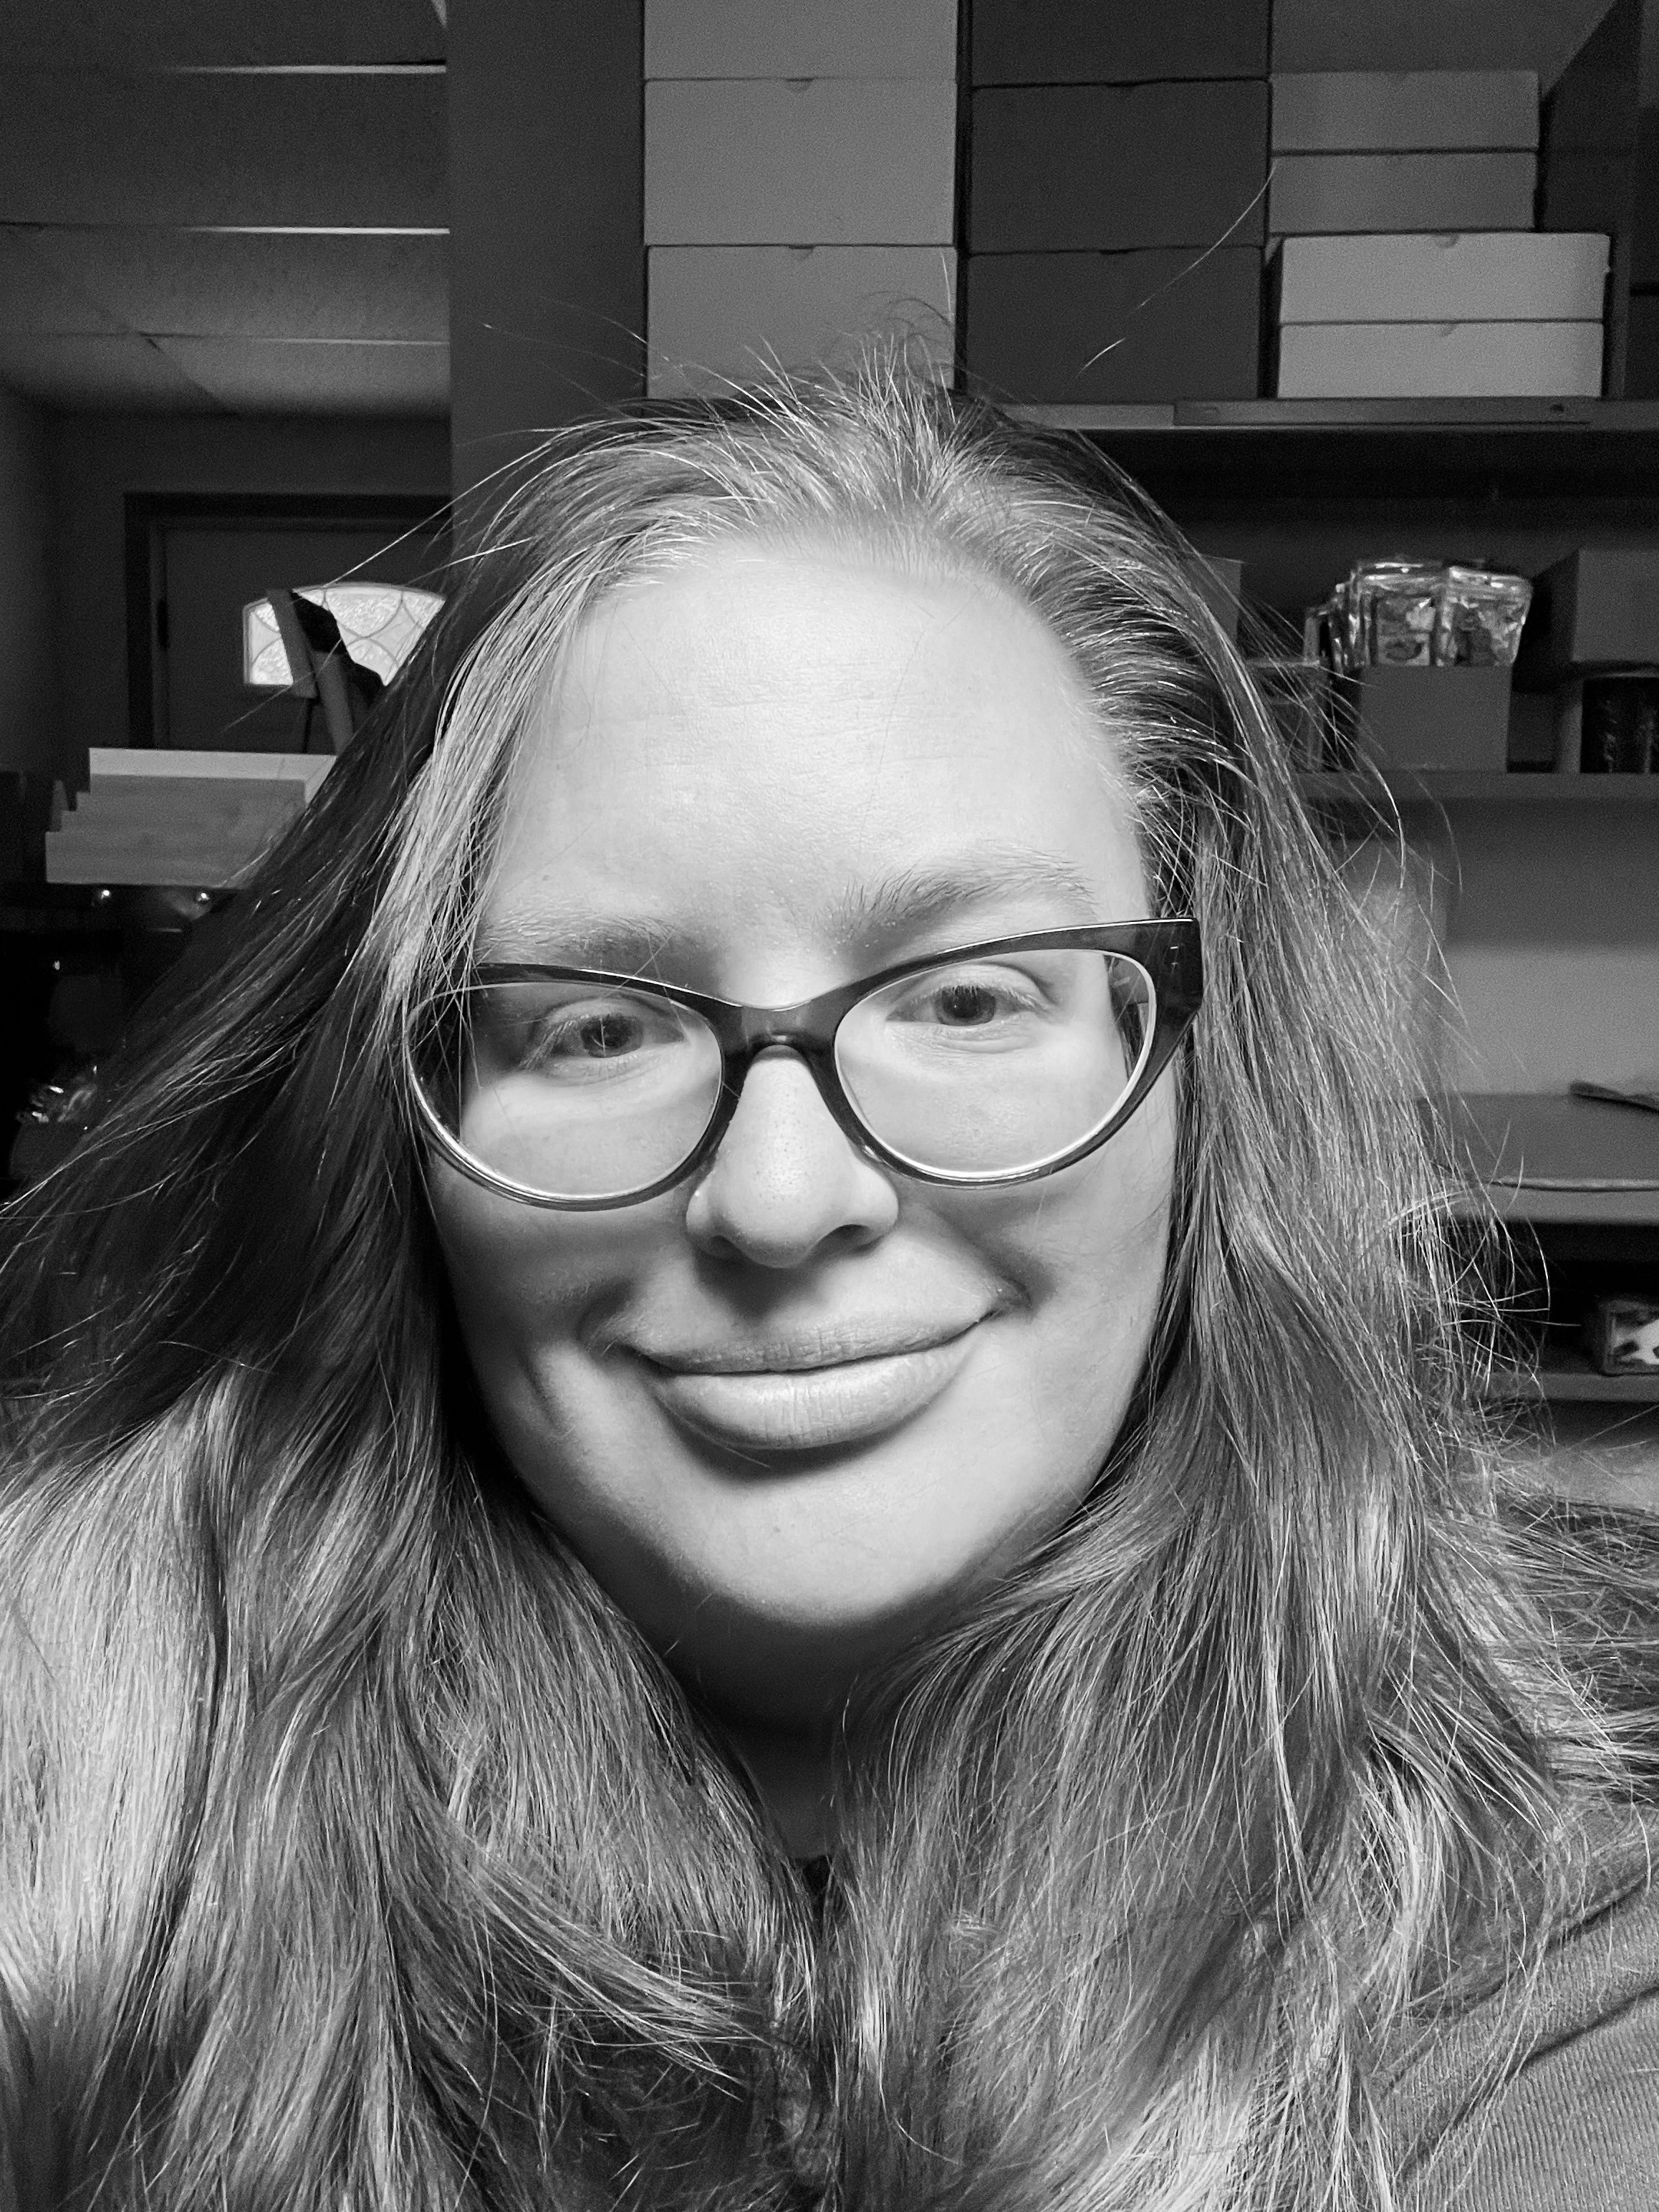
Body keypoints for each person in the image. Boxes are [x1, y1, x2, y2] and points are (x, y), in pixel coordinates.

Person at [1, 367, 1655, 2212]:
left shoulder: (1542, 1863)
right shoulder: (90, 1773)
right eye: (599, 1023)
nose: (781, 1199)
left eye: (969, 996)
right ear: (396, 1125)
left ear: (1202, 1073)